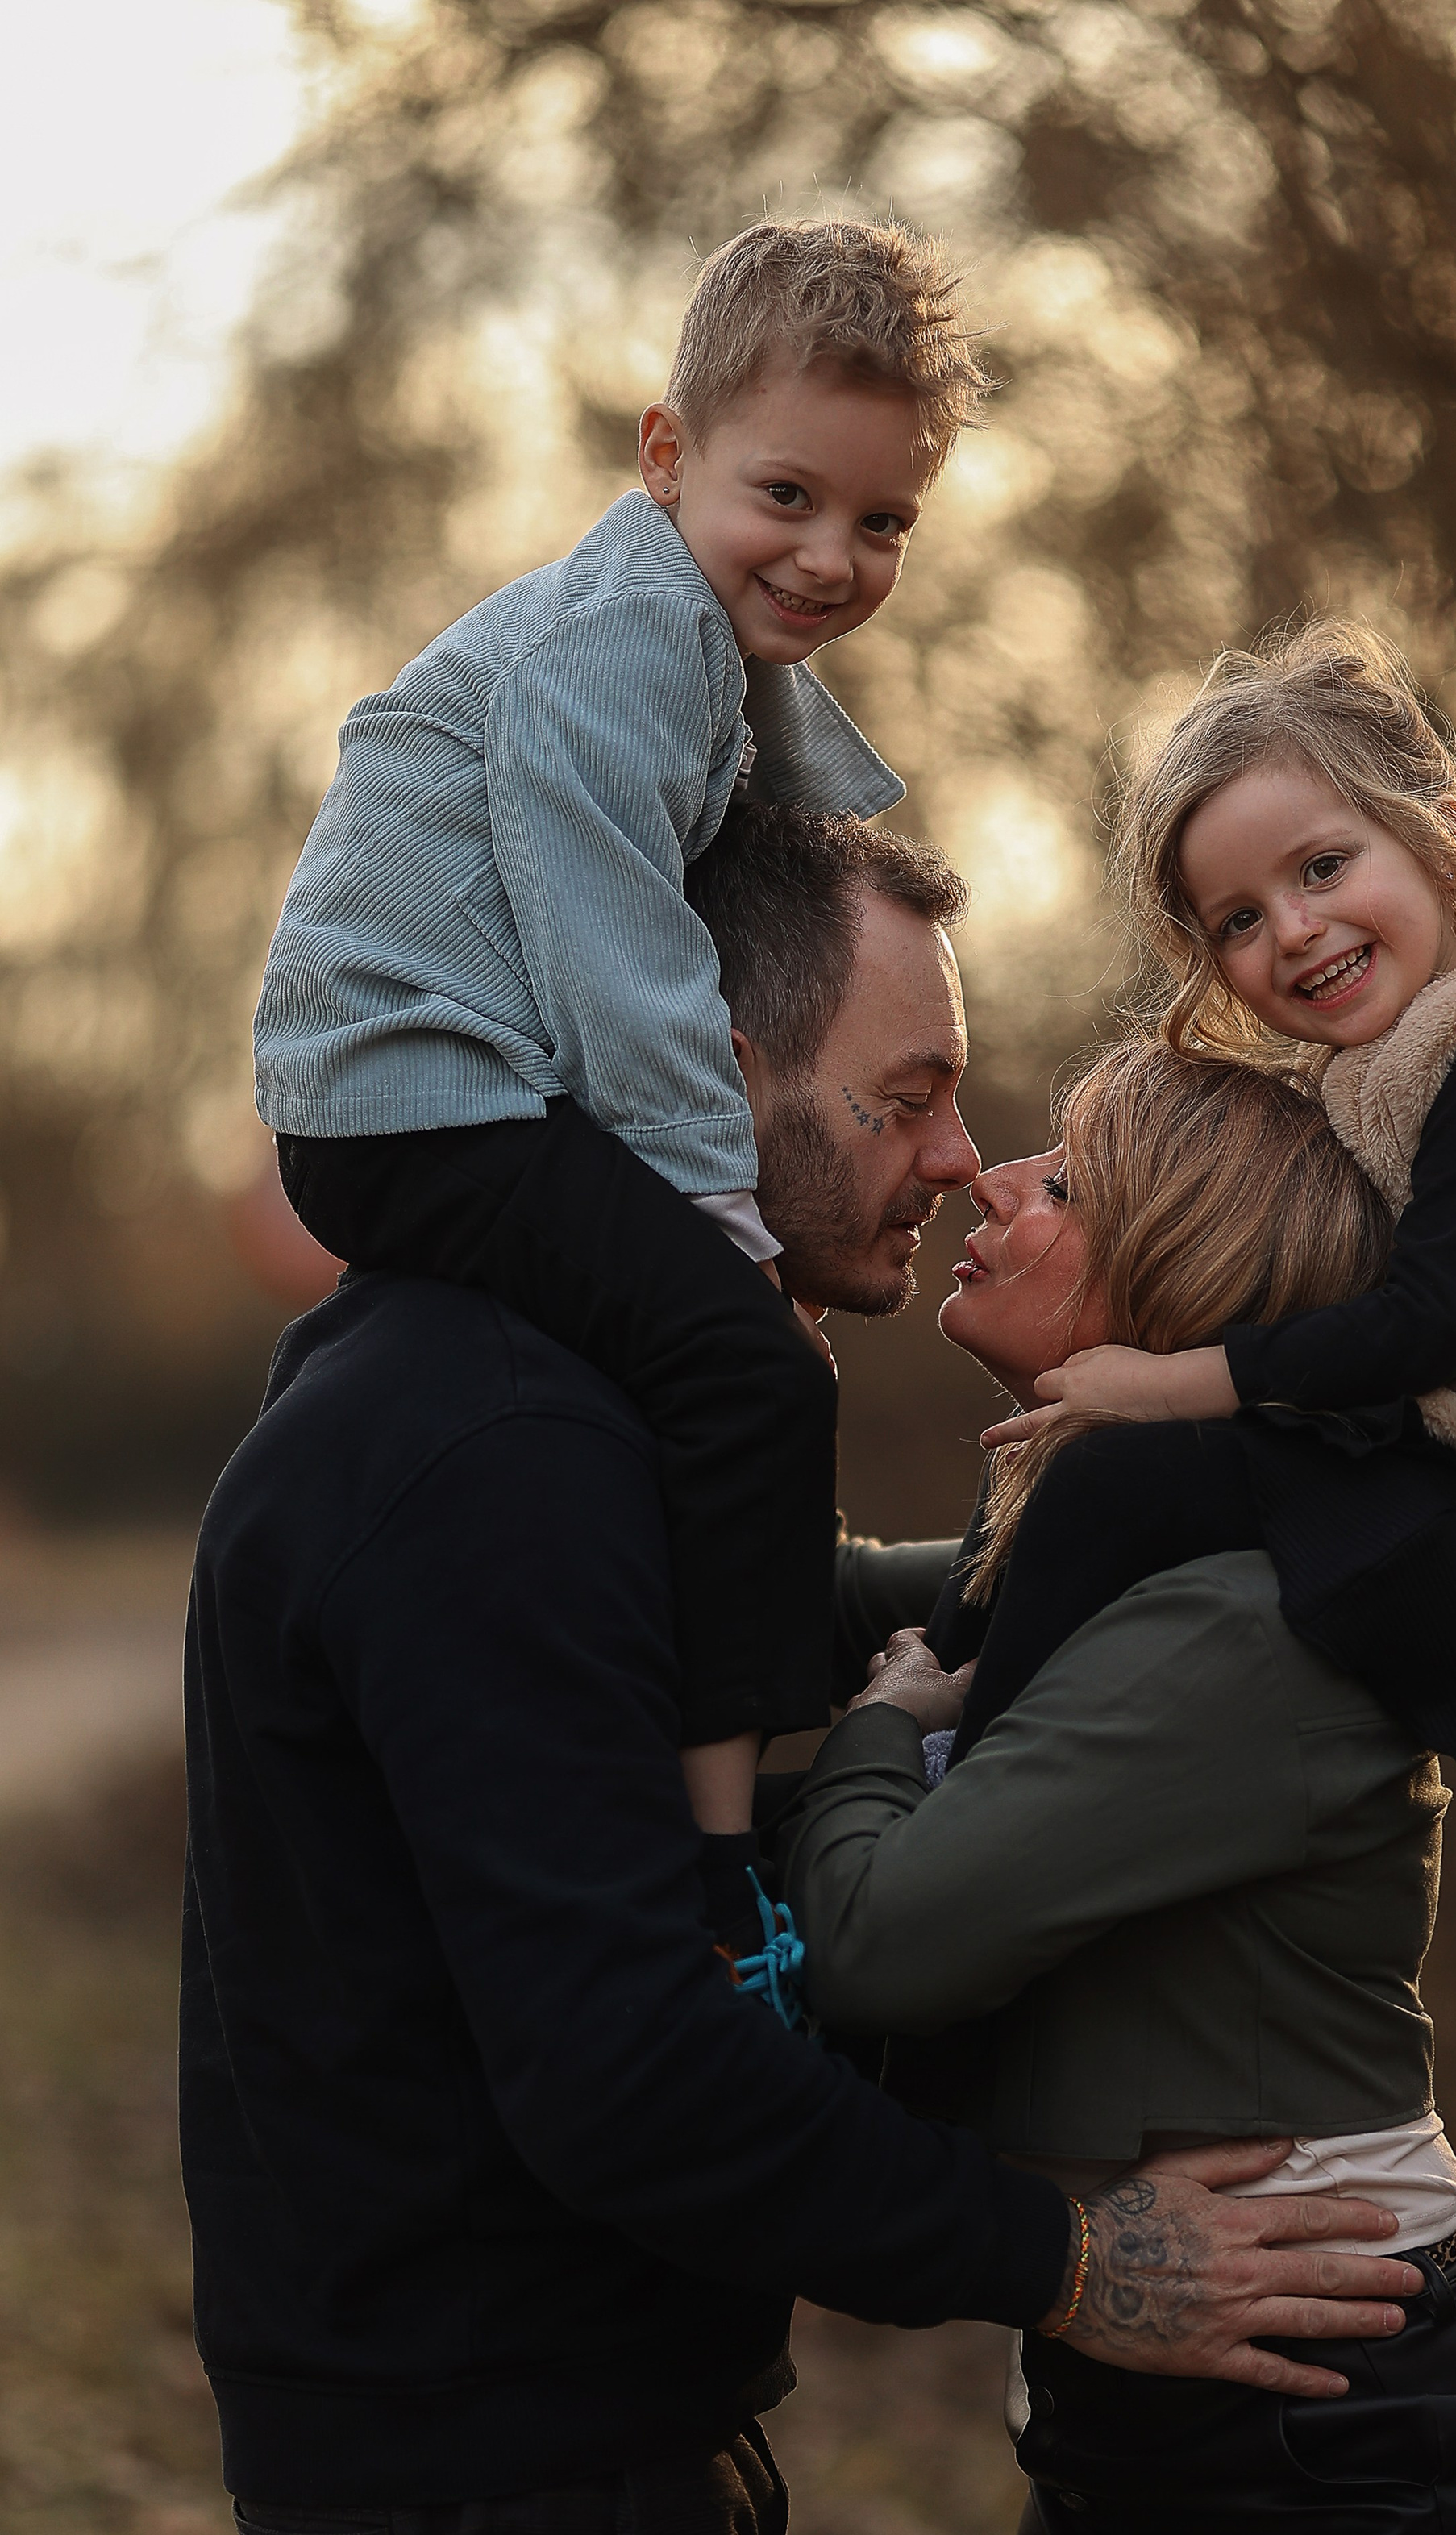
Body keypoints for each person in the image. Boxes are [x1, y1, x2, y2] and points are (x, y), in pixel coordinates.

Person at [187, 806, 1425, 2535]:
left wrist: (1296, 1531)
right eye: (908, 1095)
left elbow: (830, 1612)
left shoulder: (555, 1400)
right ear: (708, 1070)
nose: (954, 1153)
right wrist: (1075, 2264)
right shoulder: (491, 1459)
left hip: (607, 2432)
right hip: (502, 2489)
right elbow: (628, 2073)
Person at [774, 1042, 1456, 2535]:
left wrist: (878, 1734)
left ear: (1185, 1276)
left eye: (1070, 1182)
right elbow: (767, 1597)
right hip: (1149, 2443)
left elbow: (876, 1946)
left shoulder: (1241, 1623)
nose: (990, 1181)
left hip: (1364, 2476)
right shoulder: (1074, 1560)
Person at [251, 216, 986, 1852]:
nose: (827, 558)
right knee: (748, 1379)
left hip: (441, 1098)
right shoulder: (621, 644)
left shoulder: (691, 641)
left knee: (687, 1366)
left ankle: (741, 1718)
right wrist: (729, 1236)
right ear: (667, 454)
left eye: (880, 523)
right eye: (783, 498)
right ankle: (721, 1847)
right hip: (414, 1098)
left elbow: (774, 829)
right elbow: (631, 973)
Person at [951, 618, 1456, 1833]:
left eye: (1322, 868)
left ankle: (961, 1789)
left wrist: (1170, 1380)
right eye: (1239, 921)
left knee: (1118, 1472)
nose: (1295, 931)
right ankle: (957, 1685)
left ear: (1442, 830)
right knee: (1082, 1472)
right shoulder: (1406, 1061)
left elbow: (1426, 1324)